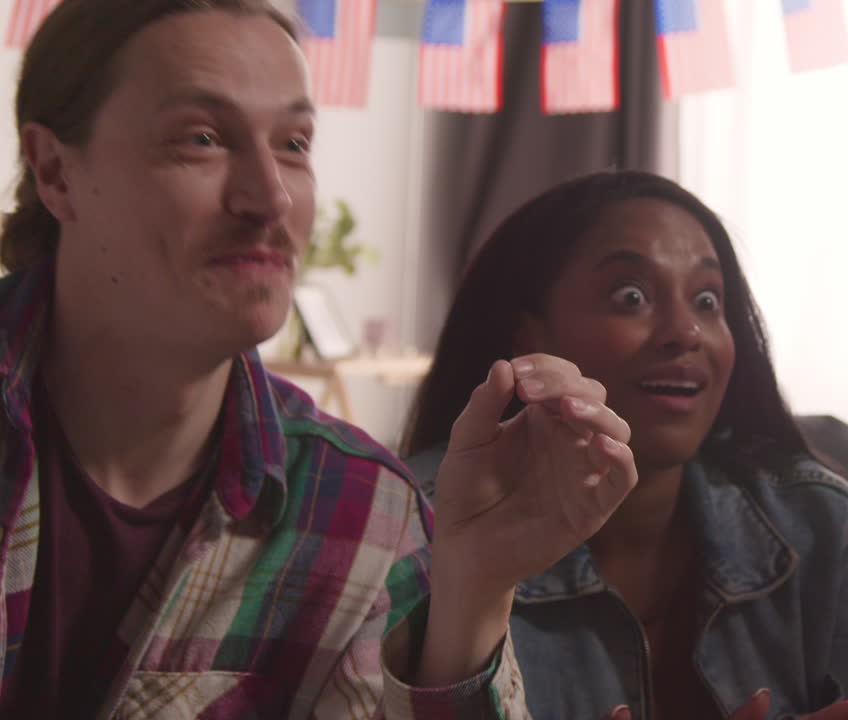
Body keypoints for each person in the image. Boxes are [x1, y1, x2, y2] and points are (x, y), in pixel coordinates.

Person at [0, 1, 637, 717]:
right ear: (54, 171)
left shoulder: (364, 513)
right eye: (203, 139)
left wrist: (475, 593)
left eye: (295, 144)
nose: (269, 195)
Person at [403, 170, 848, 720]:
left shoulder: (821, 521)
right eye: (631, 296)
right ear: (528, 338)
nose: (686, 332)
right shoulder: (410, 522)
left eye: (708, 300)